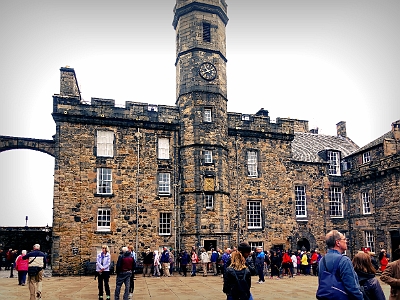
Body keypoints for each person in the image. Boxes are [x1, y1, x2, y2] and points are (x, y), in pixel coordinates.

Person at [317, 230, 363, 300]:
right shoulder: (344, 260)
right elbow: (352, 288)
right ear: (337, 242)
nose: (346, 241)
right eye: (344, 239)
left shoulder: (321, 261)